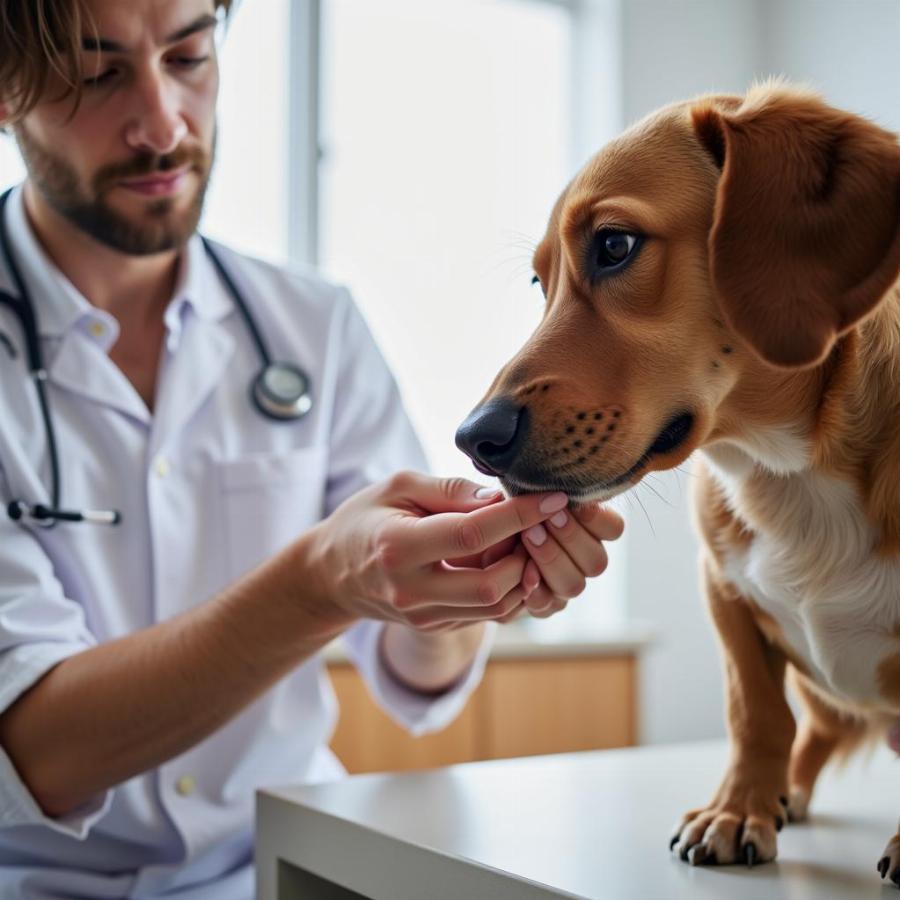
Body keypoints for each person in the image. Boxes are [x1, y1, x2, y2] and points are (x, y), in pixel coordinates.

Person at [0, 1, 625, 896]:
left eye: (188, 57)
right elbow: (36, 754)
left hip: (288, 871)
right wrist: (323, 582)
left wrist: (480, 580)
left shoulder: (313, 328)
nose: (164, 121)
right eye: (99, 74)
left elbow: (417, 666)